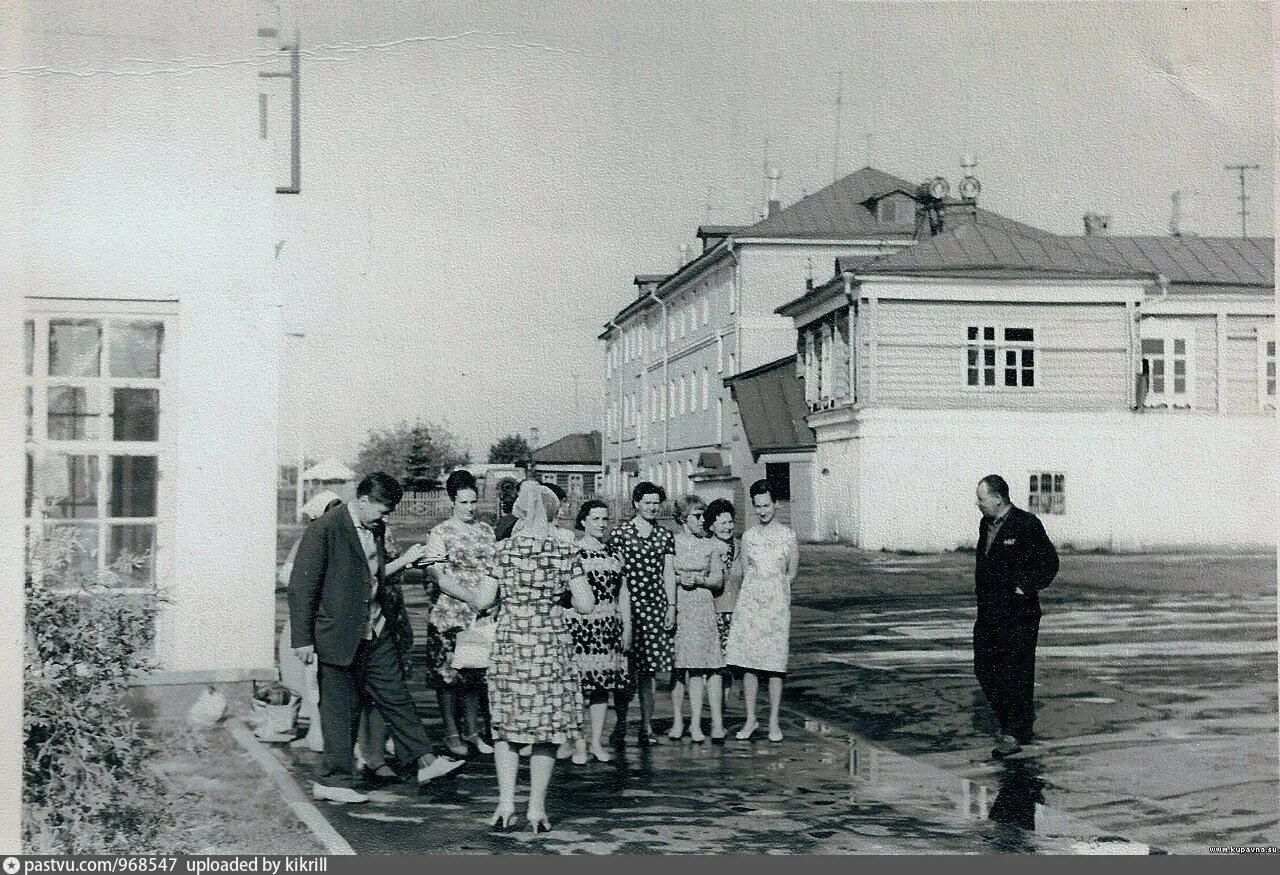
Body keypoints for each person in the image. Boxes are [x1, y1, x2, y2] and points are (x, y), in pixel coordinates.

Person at [288, 472, 465, 803]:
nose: (387, 518)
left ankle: (425, 762)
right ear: (364, 501)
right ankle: (333, 780)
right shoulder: (324, 529)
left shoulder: (376, 528)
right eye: (383, 510)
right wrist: (302, 639)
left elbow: (376, 575)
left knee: (396, 695)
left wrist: (412, 563)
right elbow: (302, 586)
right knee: (341, 711)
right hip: (338, 634)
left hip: (376, 630)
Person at [467, 480, 595, 832]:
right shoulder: (565, 551)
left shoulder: (503, 551)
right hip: (550, 645)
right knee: (547, 728)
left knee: (507, 727)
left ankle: (506, 803)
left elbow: (482, 600)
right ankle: (536, 808)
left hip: (511, 643)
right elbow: (585, 605)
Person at [973, 474, 1059, 758]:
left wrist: (1026, 586)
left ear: (998, 498)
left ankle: (1014, 731)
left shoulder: (1026, 524)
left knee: (1017, 673)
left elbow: (1049, 563)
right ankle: (1013, 722)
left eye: (981, 498)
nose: (978, 504)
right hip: (988, 613)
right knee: (984, 668)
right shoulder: (986, 525)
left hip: (1018, 614)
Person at [423, 470, 497, 756]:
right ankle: (452, 733)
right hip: (450, 613)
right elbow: (439, 577)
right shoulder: (440, 533)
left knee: (475, 674)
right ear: (452, 501)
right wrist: (471, 597)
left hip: (482, 613)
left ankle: (473, 731)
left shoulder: (486, 531)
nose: (470, 508)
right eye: (464, 502)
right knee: (448, 674)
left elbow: (495, 568)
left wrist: (490, 601)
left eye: (473, 502)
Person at [724, 479, 798, 743]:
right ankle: (750, 718)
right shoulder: (749, 536)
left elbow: (792, 573)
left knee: (775, 665)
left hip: (776, 604)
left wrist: (774, 593)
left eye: (766, 505)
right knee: (750, 664)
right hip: (751, 604)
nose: (763, 511)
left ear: (775, 504)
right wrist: (757, 594)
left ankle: (774, 720)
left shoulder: (788, 536)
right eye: (758, 506)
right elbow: (745, 572)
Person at [606, 481, 676, 746]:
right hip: (626, 608)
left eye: (656, 503)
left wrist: (671, 606)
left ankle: (646, 726)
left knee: (649, 672)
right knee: (626, 671)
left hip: (655, 608)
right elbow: (613, 572)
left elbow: (668, 573)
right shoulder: (620, 533)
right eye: (647, 502)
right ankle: (621, 723)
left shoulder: (664, 535)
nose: (652, 507)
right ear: (636, 504)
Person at [566, 499, 629, 763]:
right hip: (580, 624)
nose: (602, 524)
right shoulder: (572, 551)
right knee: (578, 687)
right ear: (583, 521)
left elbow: (623, 593)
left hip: (609, 624)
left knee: (603, 687)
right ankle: (578, 743)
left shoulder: (615, 553)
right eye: (596, 519)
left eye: (605, 519)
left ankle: (597, 742)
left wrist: (627, 628)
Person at [670, 495, 727, 743]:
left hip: (704, 607)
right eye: (697, 516)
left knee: (707, 666)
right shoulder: (672, 543)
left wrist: (699, 580)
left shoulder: (709, 545)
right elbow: (664, 574)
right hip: (681, 606)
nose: (703, 520)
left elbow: (718, 579)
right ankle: (685, 722)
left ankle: (707, 723)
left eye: (703, 515)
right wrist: (677, 581)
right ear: (684, 518)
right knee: (684, 667)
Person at [706, 497, 743, 724]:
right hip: (713, 614)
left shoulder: (740, 547)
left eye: (730, 522)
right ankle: (715, 715)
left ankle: (723, 711)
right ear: (711, 525)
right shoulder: (707, 547)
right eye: (722, 523)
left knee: (730, 668)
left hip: (737, 614)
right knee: (715, 667)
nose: (727, 527)